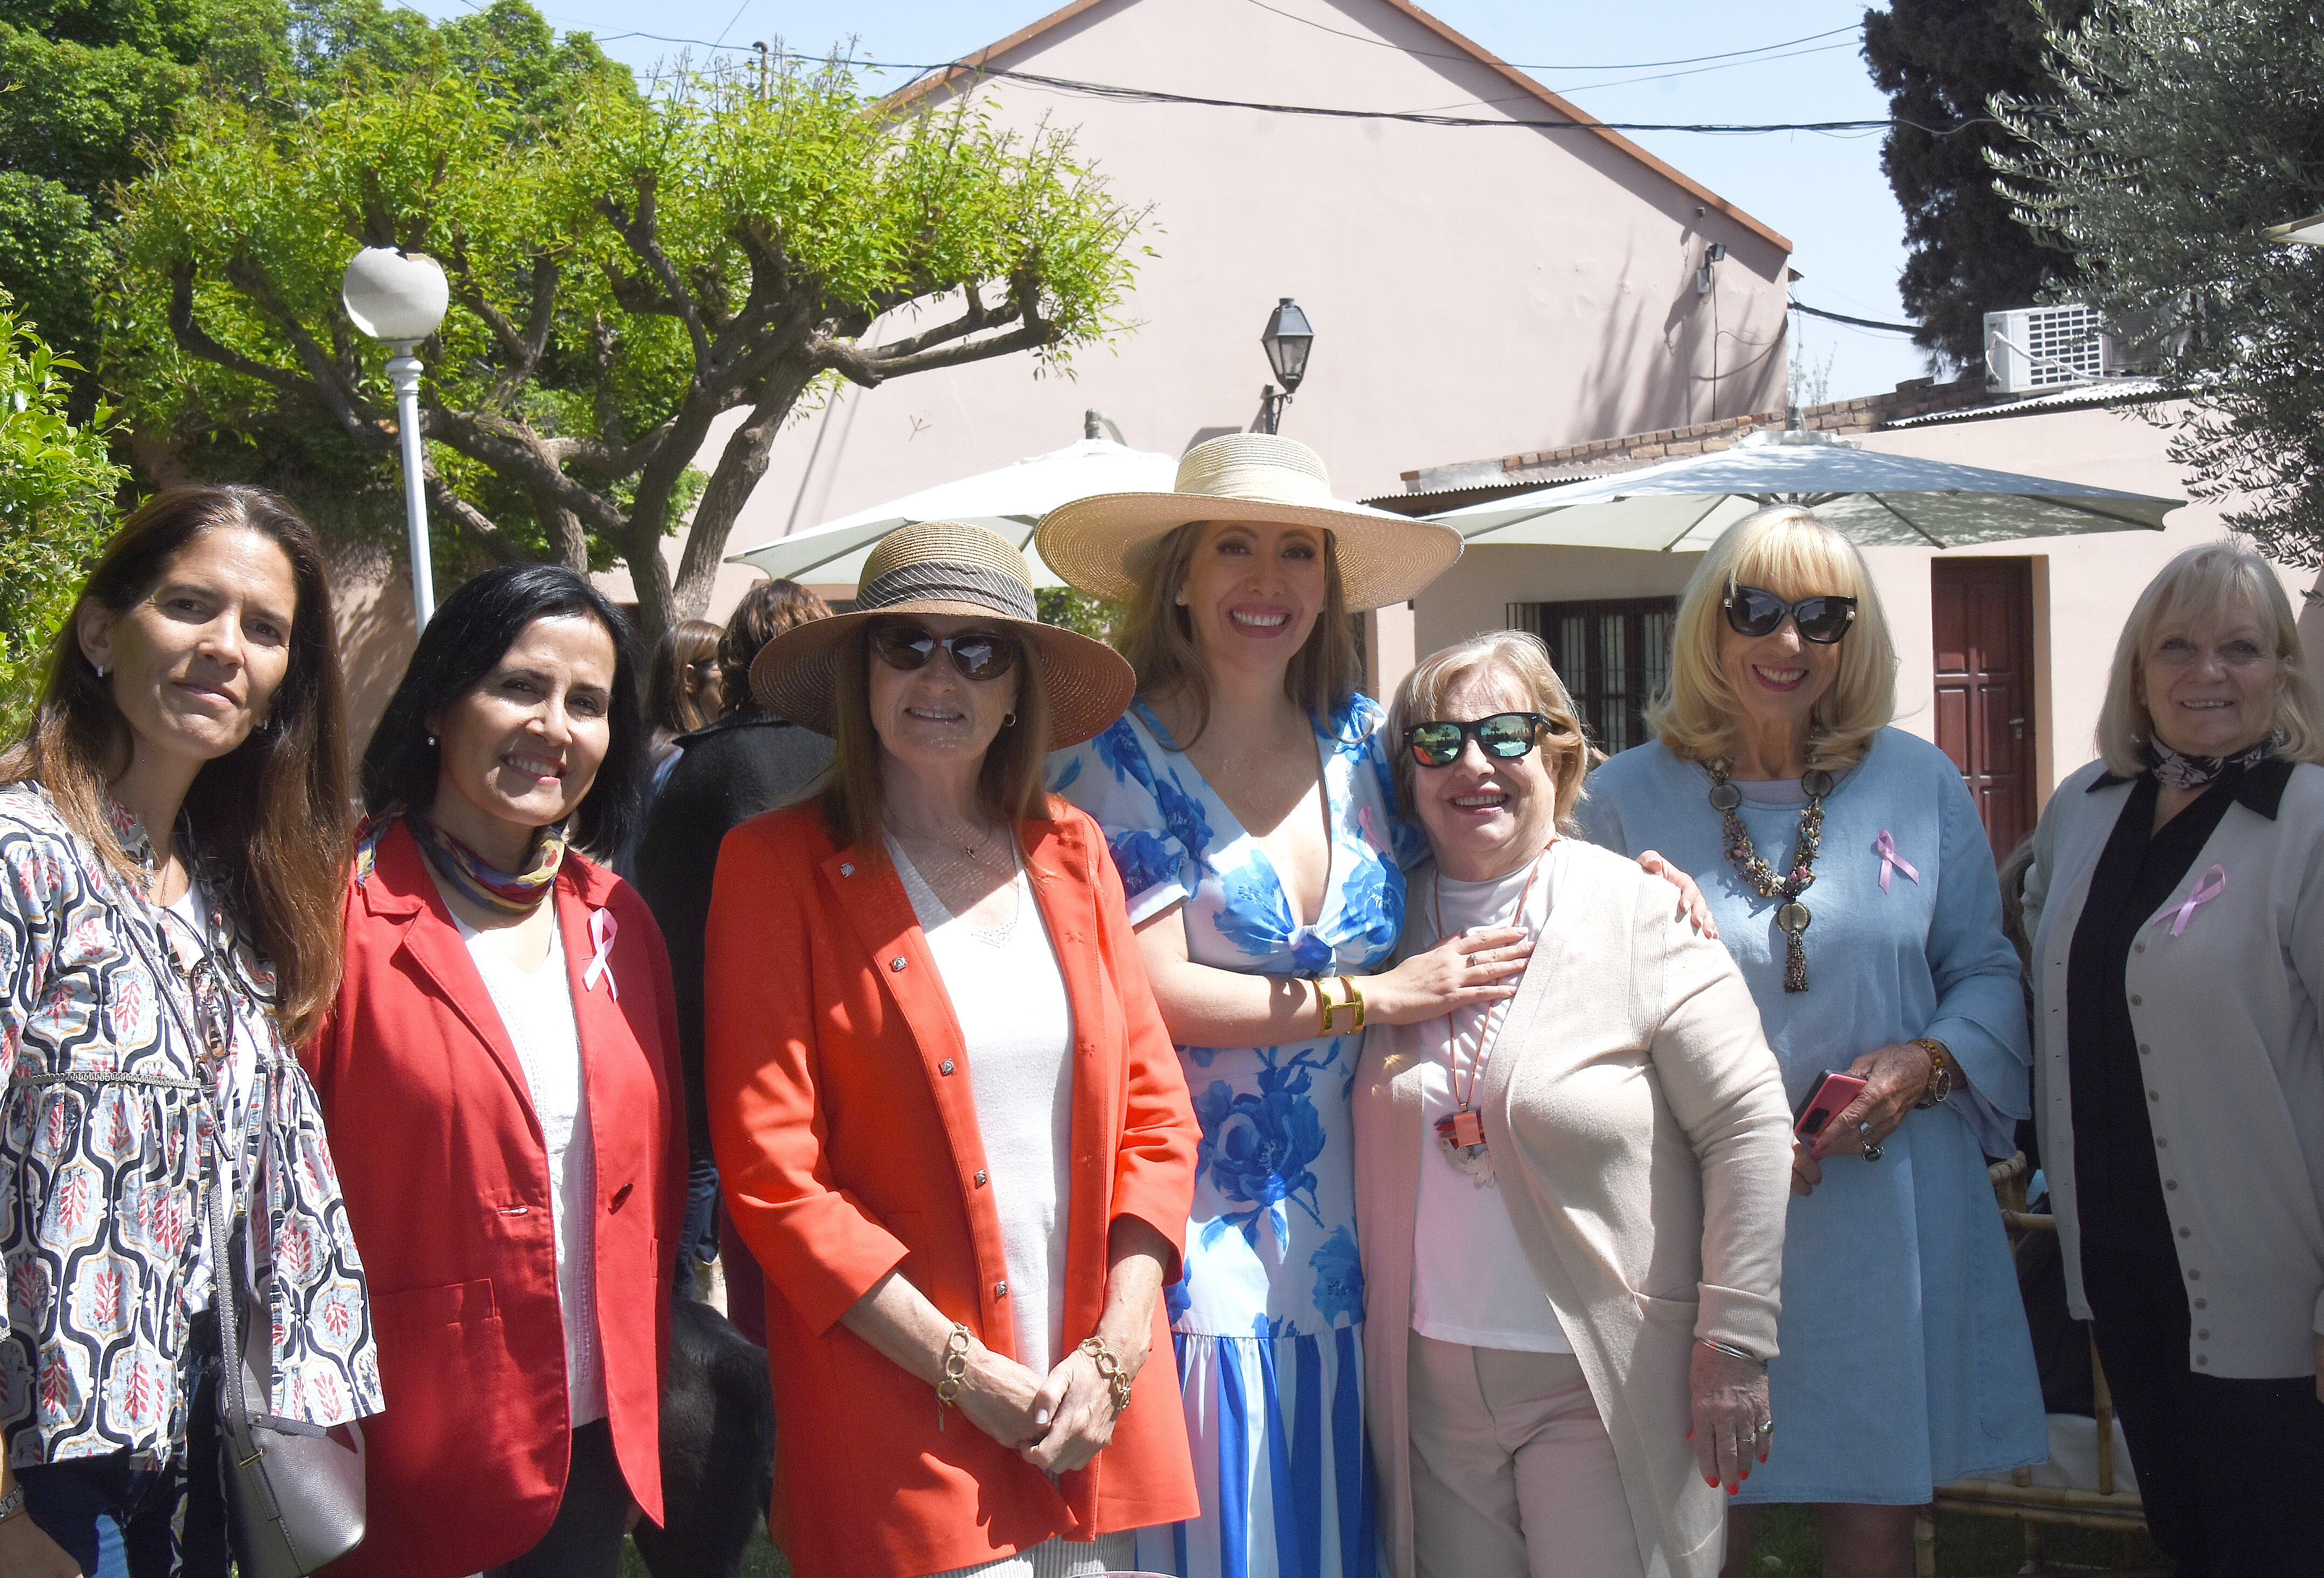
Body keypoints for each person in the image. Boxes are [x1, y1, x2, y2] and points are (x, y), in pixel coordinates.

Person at [706, 521, 1201, 1578]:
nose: (940, 674)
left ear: (1017, 685)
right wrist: (967, 1375)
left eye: (976, 651)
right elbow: (771, 1178)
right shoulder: (771, 867)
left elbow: (1158, 1121)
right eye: (907, 645)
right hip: (901, 1425)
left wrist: (1114, 1354)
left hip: (1091, 1406)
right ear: (860, 673)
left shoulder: (1071, 852)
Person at [1578, 505, 2046, 1578]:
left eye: (1820, 617)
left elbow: (1985, 972)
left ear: (1853, 637)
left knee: (1870, 1516)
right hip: (1692, 1215)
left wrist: (1924, 1064)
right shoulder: (1617, 800)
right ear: (1709, 624)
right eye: (1756, 610)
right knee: (1700, 1512)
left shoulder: (1920, 785)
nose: (1786, 643)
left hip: (1880, 1210)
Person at [0, 485, 382, 1576]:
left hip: (197, 1440)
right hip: (47, 1474)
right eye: (188, 607)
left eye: (264, 630)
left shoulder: (219, 898)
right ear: (97, 631)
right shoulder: (20, 857)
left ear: (278, 691)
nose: (226, 648)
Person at [1354, 631, 1793, 1578]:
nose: (1472, 763)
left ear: (1556, 750)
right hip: (1428, 1392)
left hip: (1599, 1381)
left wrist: (1734, 1336)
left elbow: (1748, 1124)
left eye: (1504, 733)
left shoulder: (1636, 911)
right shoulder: (1374, 927)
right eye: (1437, 742)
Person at [303, 564, 685, 1578]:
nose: (554, 725)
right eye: (520, 686)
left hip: (591, 1438)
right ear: (438, 700)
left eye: (589, 703)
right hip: (409, 1454)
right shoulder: (331, 912)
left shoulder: (615, 920)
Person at [2021, 542, 2324, 1576]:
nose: (2207, 672)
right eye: (2177, 647)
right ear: (2137, 671)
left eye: (2240, 648)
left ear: (2281, 667)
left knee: (2275, 1541)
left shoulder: (2312, 824)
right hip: (2116, 1268)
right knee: (2186, 1538)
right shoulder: (2085, 807)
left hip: (2269, 1286)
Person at [633, 578, 834, 1317]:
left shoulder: (691, 768)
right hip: (843, 1047)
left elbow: (653, 896)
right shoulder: (873, 758)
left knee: (712, 1198)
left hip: (708, 1030)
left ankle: (686, 1333)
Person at [644, 618, 725, 792]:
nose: (735, 688)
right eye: (725, 675)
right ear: (689, 679)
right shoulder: (683, 757)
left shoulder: (642, 745)